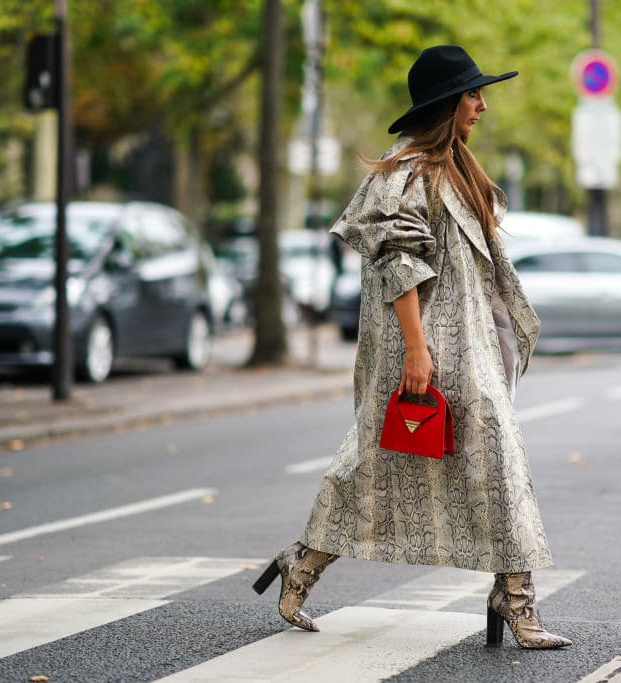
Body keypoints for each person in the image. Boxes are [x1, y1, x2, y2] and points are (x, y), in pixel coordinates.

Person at [253, 45, 571, 650]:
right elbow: (400, 267)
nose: (481, 104)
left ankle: (509, 589)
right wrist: (417, 351)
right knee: (402, 464)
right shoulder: (404, 176)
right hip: (429, 348)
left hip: (471, 348)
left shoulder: (459, 170)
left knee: (425, 464)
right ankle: (307, 563)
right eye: (472, 95)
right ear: (446, 105)